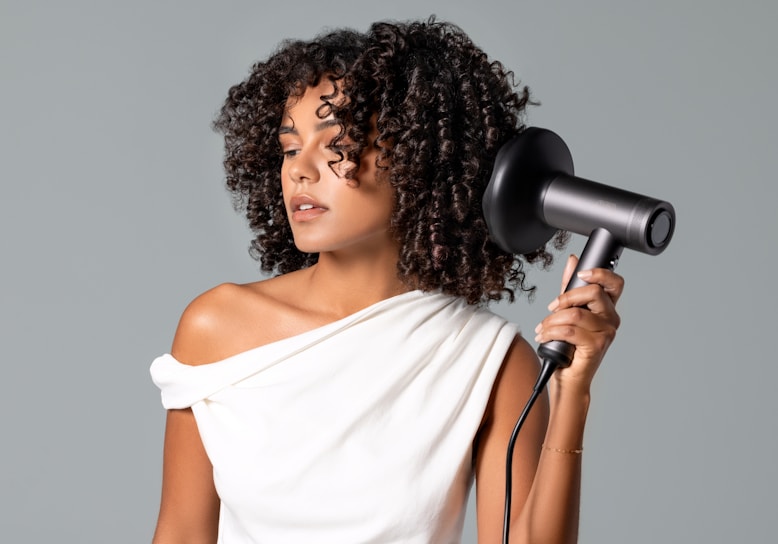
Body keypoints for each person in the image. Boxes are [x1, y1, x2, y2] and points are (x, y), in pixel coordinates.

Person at [150, 17, 624, 544]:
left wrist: (572, 393)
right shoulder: (216, 329)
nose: (300, 170)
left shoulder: (489, 361)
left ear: (420, 158)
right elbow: (180, 532)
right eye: (290, 148)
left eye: (337, 144)